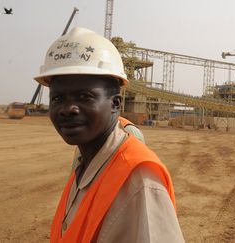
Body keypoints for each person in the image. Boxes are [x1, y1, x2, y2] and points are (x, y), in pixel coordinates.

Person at [34, 27, 184, 242]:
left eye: (85, 96)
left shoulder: (138, 182)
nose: (68, 109)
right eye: (58, 99)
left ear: (115, 104)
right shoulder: (84, 162)